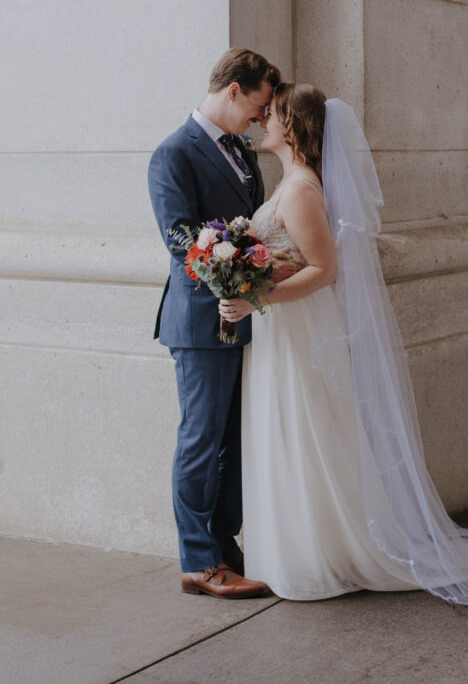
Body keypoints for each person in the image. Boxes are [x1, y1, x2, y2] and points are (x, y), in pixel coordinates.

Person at [220, 84, 468, 607]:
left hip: (297, 328)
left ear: (292, 126)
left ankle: (322, 555)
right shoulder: (294, 183)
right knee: (296, 432)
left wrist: (257, 294)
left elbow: (326, 269)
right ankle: (294, 550)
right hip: (285, 326)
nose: (262, 119)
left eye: (272, 113)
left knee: (305, 431)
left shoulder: (299, 190)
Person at [148, 47, 280, 599]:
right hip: (202, 321)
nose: (262, 116)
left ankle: (226, 547)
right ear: (233, 90)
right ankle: (197, 562)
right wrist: (228, 269)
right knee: (201, 440)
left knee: (233, 442)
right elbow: (179, 237)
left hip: (243, 316)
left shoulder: (244, 152)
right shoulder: (172, 153)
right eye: (259, 103)